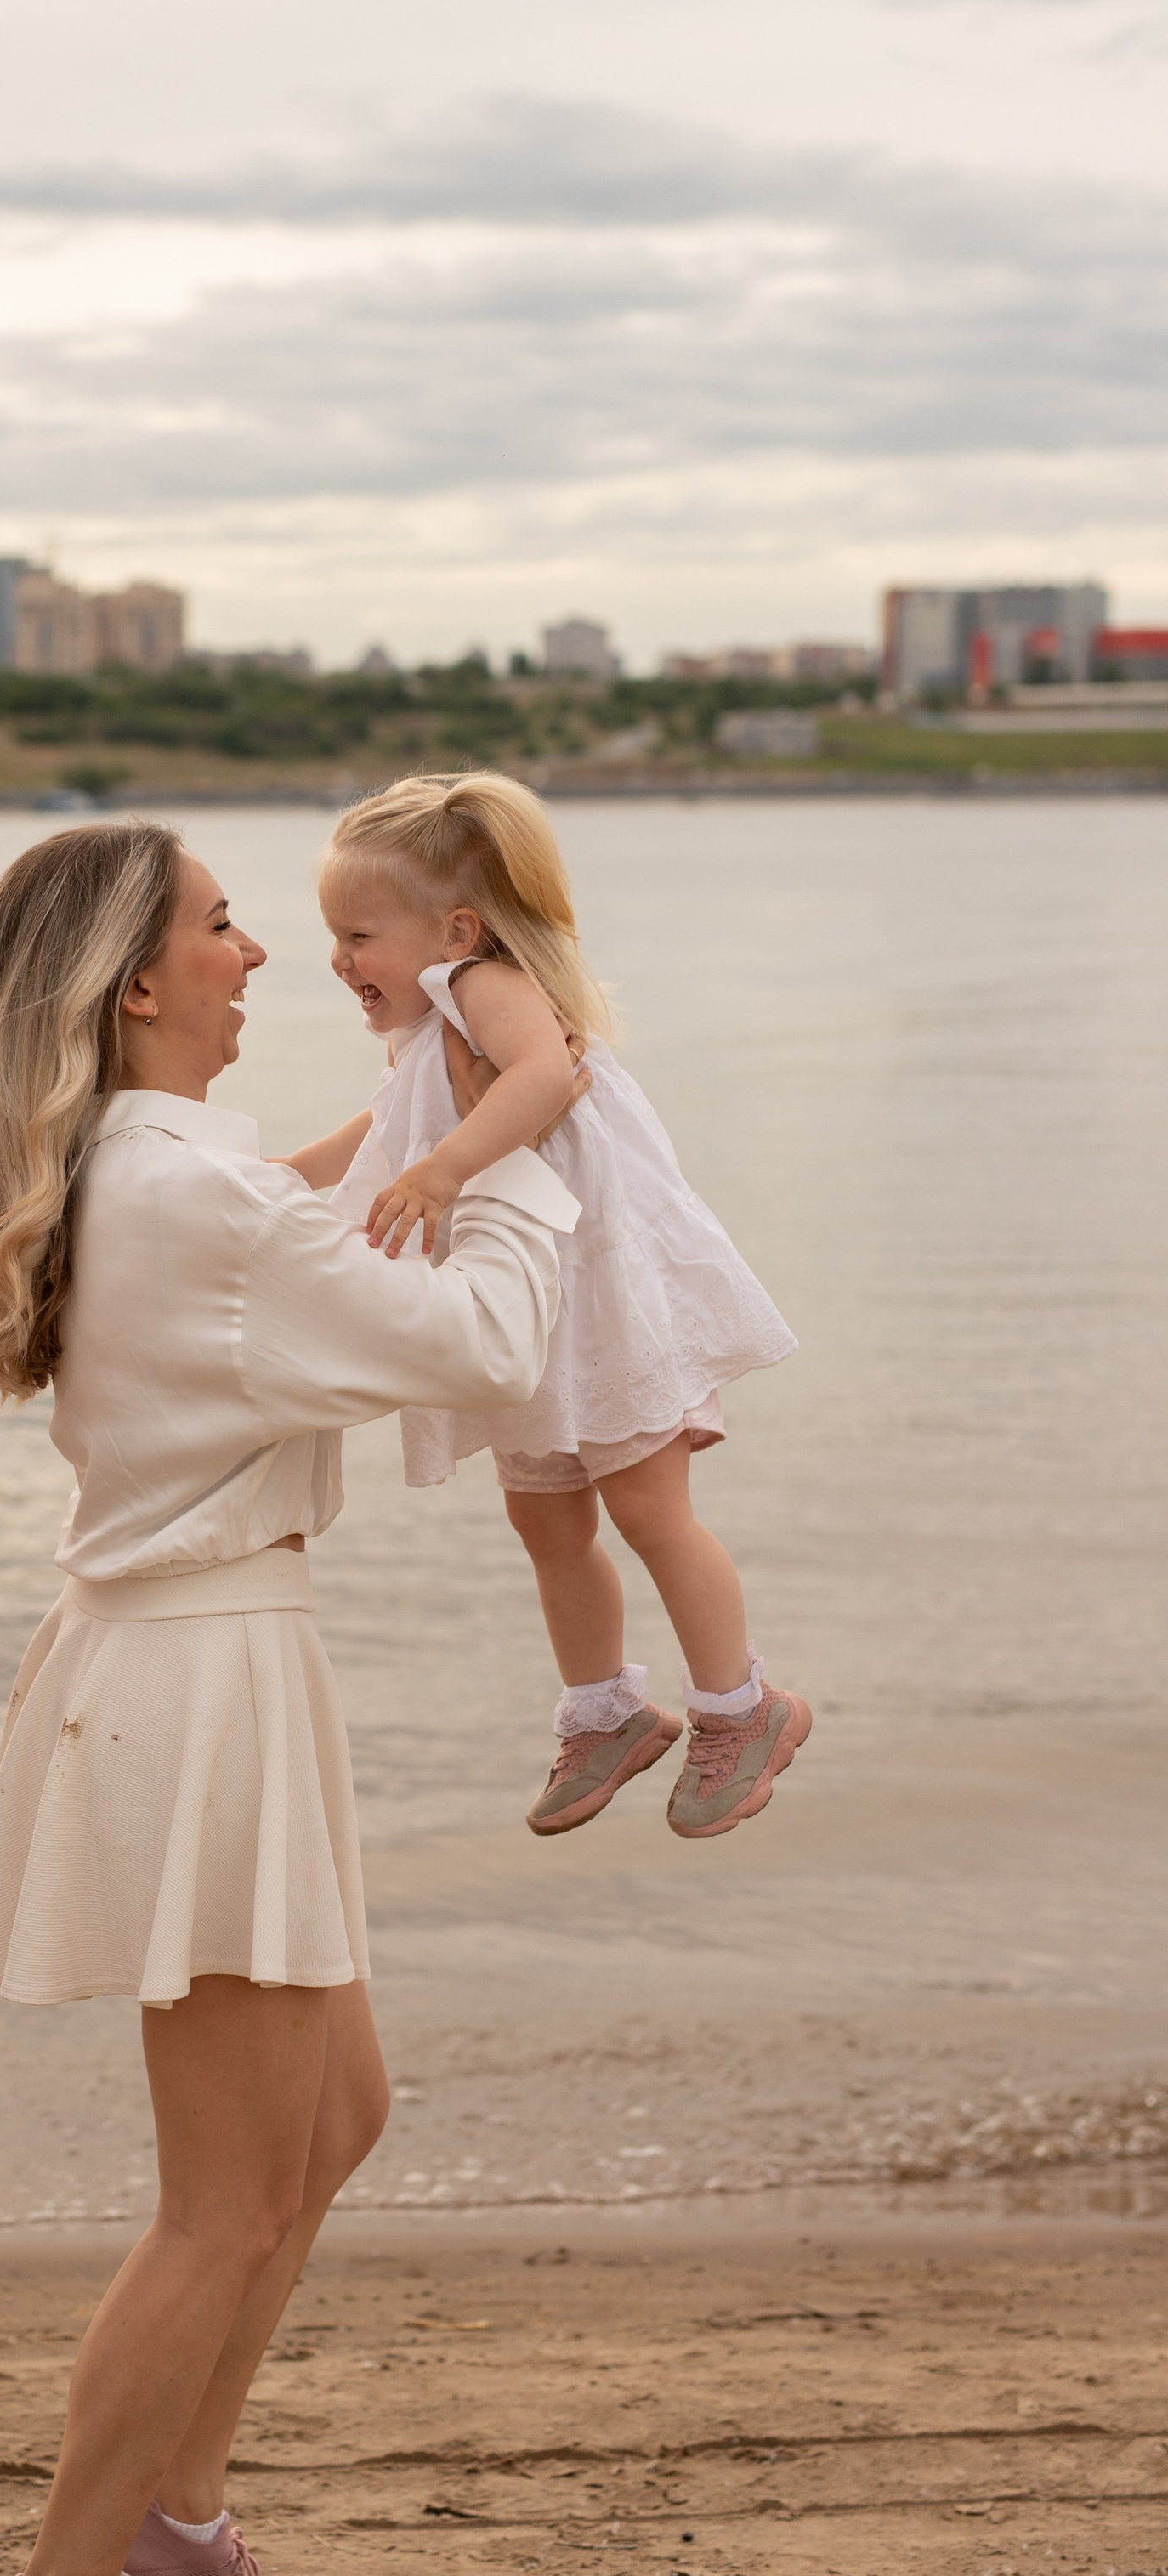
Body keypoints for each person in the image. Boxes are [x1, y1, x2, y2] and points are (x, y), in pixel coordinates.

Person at [0, 820, 575, 2576]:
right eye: (222, 927)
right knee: (218, 2196)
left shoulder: (153, 1166)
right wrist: (532, 1157)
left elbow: (284, 1215)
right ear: (137, 982)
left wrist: (414, 1117)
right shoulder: (185, 1190)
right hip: (196, 1686)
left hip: (212, 1670)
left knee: (329, 2115)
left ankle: (170, 2507)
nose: (254, 955)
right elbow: (486, 1339)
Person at [287, 771, 806, 1843]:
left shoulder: (486, 983)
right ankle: (604, 1712)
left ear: (455, 929)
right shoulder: (427, 1032)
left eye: (358, 935)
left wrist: (442, 1171)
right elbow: (378, 1126)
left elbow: (538, 1080)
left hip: (599, 1299)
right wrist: (276, 1179)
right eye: (333, 936)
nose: (338, 960)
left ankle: (740, 1707)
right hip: (530, 1311)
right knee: (544, 1522)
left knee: (651, 1513)